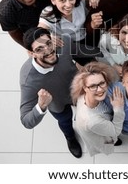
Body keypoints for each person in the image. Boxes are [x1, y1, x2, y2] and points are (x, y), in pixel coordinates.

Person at [19, 27, 82, 158]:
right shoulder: (28, 79)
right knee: (65, 121)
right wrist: (41, 106)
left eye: (48, 43)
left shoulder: (63, 42)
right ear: (31, 54)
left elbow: (79, 51)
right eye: (39, 49)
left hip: (79, 91)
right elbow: (26, 121)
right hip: (58, 104)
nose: (48, 50)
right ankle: (70, 137)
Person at [38, 0, 101, 65]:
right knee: (95, 65)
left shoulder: (80, 0)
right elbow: (38, 32)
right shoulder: (48, 13)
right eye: (62, 0)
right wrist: (49, 37)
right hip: (73, 47)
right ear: (53, 0)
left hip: (90, 36)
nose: (68, 5)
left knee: (105, 55)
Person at [70, 62, 125, 156]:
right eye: (93, 86)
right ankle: (114, 142)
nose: (99, 89)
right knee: (110, 140)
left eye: (102, 83)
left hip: (99, 127)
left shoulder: (83, 94)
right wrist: (118, 108)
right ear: (85, 88)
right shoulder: (93, 121)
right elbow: (116, 131)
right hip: (102, 136)